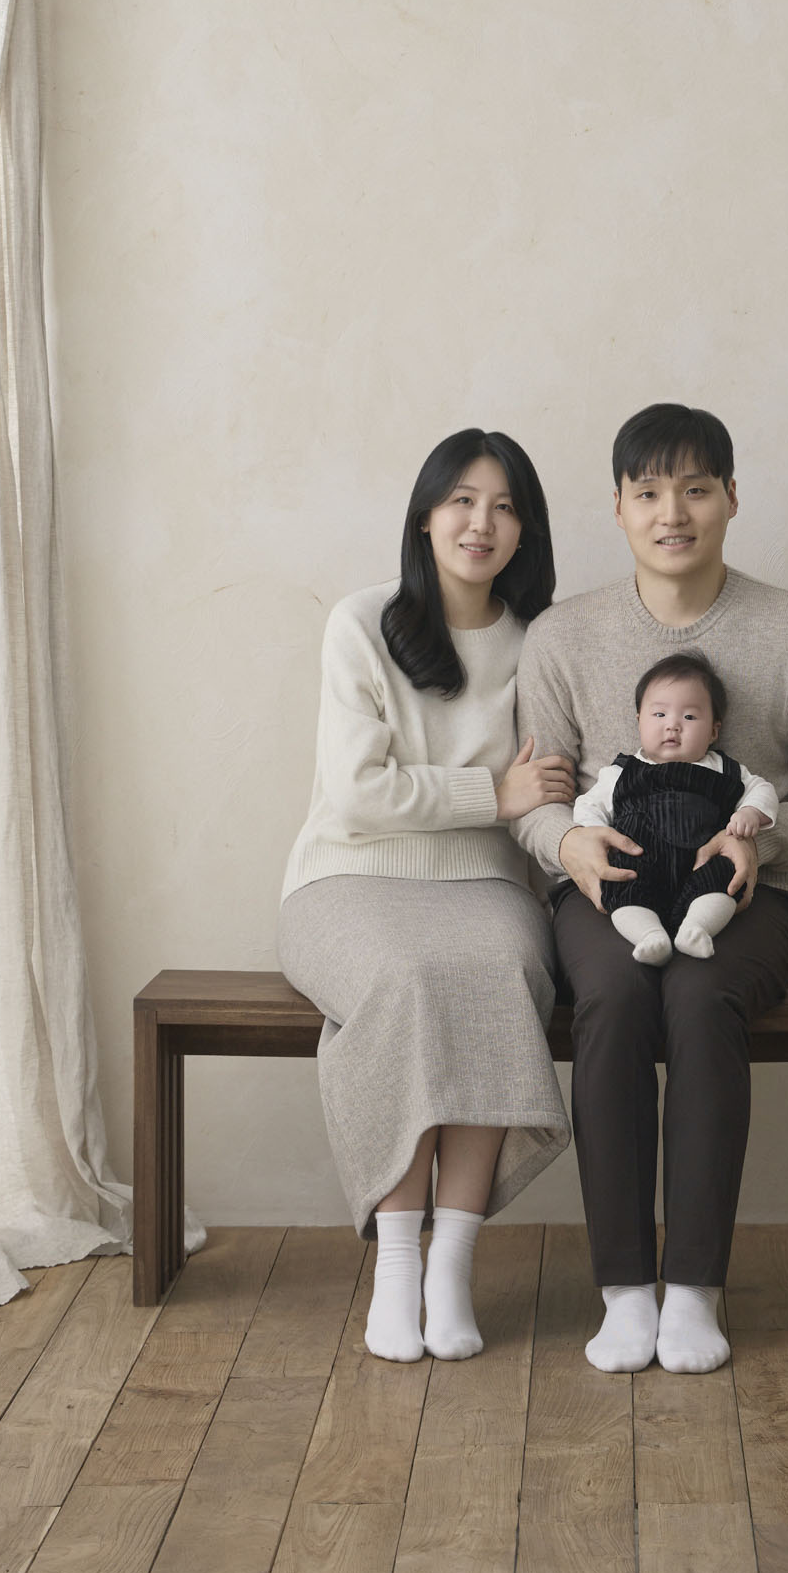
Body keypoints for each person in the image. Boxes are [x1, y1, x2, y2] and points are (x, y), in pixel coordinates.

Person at [514, 403, 788, 1375]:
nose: (673, 513)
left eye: (696, 489)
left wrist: (764, 837)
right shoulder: (562, 635)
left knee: (702, 997)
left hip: (750, 895)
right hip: (608, 889)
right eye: (649, 492)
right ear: (619, 507)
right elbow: (534, 797)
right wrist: (569, 844)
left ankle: (696, 1289)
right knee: (615, 996)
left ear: (731, 499)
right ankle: (626, 1289)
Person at [278, 429, 575, 1363]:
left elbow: (548, 789)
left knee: (495, 972)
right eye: (461, 501)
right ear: (424, 516)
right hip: (344, 878)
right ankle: (397, 1266)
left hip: (484, 882)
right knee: (405, 979)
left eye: (504, 507)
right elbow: (357, 797)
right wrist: (490, 793)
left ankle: (452, 1263)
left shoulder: (540, 643)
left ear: (525, 532)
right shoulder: (361, 622)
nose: (481, 523)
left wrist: (518, 808)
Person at [571, 651, 779, 965]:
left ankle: (697, 928)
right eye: (659, 714)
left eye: (690, 717)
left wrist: (750, 812)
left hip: (703, 860)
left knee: (727, 880)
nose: (673, 726)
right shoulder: (620, 773)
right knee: (620, 884)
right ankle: (648, 935)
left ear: (714, 731)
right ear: (639, 721)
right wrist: (597, 835)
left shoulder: (725, 769)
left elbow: (762, 790)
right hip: (640, 859)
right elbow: (588, 806)